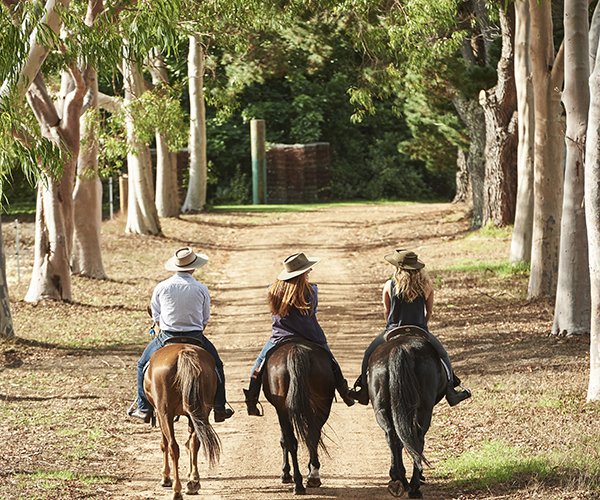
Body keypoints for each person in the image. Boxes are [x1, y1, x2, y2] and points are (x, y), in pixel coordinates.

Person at [348, 249, 471, 407]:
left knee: (368, 354)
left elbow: (387, 311)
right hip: (419, 331)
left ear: (398, 268)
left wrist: (391, 325)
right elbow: (429, 312)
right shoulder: (426, 286)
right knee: (442, 355)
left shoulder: (389, 285)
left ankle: (363, 390)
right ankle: (451, 390)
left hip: (393, 331)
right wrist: (422, 325)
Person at [127, 247, 234, 423]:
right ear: (194, 267)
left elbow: (157, 317)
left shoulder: (161, 287)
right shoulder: (201, 288)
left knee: (141, 365)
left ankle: (144, 408)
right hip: (195, 337)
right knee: (217, 365)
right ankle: (220, 407)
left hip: (167, 336)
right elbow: (205, 318)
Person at [243, 252, 355, 415]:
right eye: (308, 269)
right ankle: (345, 392)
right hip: (311, 336)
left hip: (280, 337)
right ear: (302, 272)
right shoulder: (312, 290)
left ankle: (252, 400)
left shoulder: (272, 290)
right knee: (331, 362)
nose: (310, 271)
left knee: (259, 365)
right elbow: (313, 310)